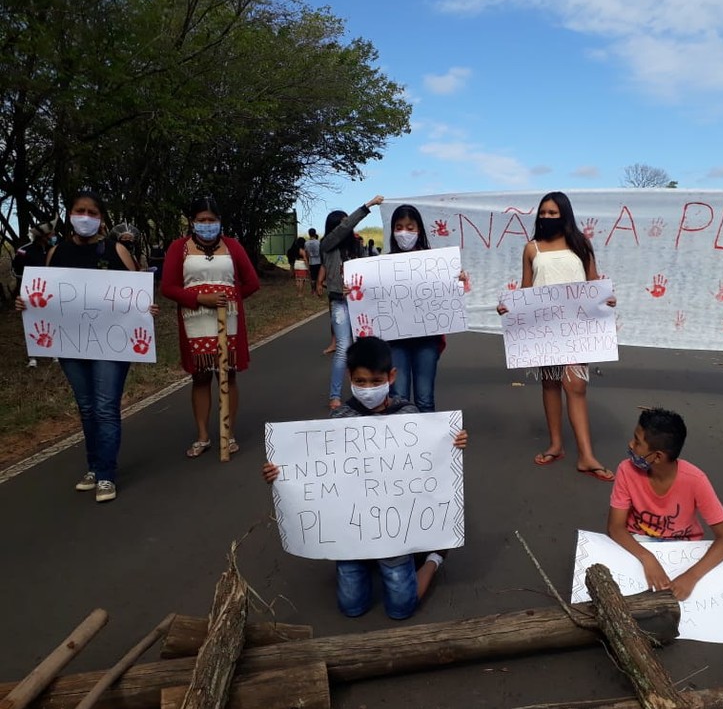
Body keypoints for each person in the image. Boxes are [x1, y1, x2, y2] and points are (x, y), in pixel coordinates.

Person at [261, 336, 468, 619]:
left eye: (375, 381)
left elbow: (427, 460)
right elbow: (317, 468)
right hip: (351, 530)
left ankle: (433, 558)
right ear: (349, 377)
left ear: (391, 376)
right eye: (360, 381)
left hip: (396, 526)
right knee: (351, 607)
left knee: (401, 609)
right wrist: (279, 472)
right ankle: (369, 560)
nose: (368, 389)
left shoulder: (409, 416)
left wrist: (451, 443)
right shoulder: (339, 420)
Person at [14, 191, 152, 502]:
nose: (85, 217)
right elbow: (43, 295)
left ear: (101, 219)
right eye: (80, 211)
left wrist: (146, 309)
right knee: (87, 407)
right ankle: (94, 466)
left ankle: (106, 474)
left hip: (111, 344)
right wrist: (27, 303)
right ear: (70, 215)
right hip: (71, 344)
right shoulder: (56, 253)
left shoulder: (117, 250)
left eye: (92, 212)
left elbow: (136, 296)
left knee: (105, 407)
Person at [496, 191, 617, 481]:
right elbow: (526, 289)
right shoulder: (531, 249)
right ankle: (556, 445)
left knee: (575, 386)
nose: (548, 217)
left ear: (565, 214)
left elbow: (593, 283)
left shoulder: (580, 244)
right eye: (544, 213)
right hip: (544, 329)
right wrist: (510, 308)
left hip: (575, 327)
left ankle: (586, 455)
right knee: (550, 384)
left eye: (553, 213)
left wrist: (605, 300)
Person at [607, 407, 723, 600]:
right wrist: (647, 558)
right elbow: (615, 527)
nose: (631, 444)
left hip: (684, 551)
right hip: (640, 546)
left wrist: (692, 576)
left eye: (637, 442)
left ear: (658, 456)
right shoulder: (626, 470)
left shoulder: (695, 479)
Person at [160, 197, 260, 458]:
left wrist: (231, 299)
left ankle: (229, 432)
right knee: (201, 377)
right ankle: (203, 435)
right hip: (195, 321)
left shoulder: (233, 246)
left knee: (228, 374)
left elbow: (252, 282)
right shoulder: (178, 248)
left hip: (229, 320)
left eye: (211, 220)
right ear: (192, 222)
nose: (206, 225)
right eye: (201, 220)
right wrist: (199, 299)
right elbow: (168, 287)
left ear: (219, 221)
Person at [384, 205, 470, 413]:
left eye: (410, 227)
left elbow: (456, 292)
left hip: (426, 340)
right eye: (399, 227)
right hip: (395, 342)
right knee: (398, 398)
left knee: (425, 398)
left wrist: (459, 281)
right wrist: (353, 290)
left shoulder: (435, 262)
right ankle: (400, 444)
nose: (404, 232)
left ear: (419, 230)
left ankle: (427, 445)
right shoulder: (381, 265)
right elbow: (368, 297)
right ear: (393, 231)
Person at [317, 195, 385, 408]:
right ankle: (335, 396)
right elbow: (344, 228)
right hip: (341, 303)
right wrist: (366, 206)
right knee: (344, 347)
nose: (348, 227)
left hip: (362, 302)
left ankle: (368, 392)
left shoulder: (357, 247)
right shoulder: (327, 244)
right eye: (344, 223)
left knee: (366, 347)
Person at [13, 221, 56, 368]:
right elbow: (16, 271)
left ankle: (54, 351)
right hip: (31, 292)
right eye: (51, 234)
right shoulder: (24, 251)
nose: (54, 236)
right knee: (31, 321)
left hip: (51, 292)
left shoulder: (54, 249)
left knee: (52, 320)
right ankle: (33, 356)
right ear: (43, 236)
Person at [304, 228, 322, 296]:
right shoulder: (318, 242)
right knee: (319, 277)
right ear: (315, 233)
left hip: (311, 262)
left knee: (313, 277)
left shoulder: (306, 243)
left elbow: (306, 254)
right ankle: (319, 290)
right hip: (319, 261)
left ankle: (313, 291)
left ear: (309, 234)